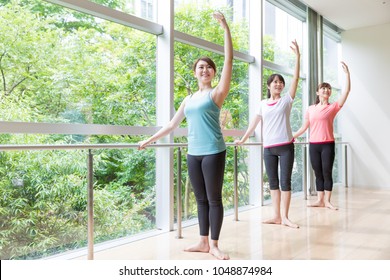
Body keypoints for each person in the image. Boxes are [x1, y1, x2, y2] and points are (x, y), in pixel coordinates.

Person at [138, 11, 232, 260]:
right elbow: (171, 125)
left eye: (209, 67)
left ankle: (214, 244)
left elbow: (229, 63)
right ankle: (202, 242)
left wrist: (225, 29)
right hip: (194, 153)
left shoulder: (216, 94)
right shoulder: (188, 99)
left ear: (213, 73)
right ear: (195, 72)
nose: (205, 70)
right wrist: (148, 140)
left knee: (214, 199)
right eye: (201, 67)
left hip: (213, 151)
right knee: (201, 199)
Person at [235, 40, 300, 229]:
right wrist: (243, 139)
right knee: (273, 183)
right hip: (268, 148)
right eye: (275, 82)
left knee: (285, 181)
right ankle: (276, 216)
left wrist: (297, 57)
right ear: (269, 86)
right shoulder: (262, 104)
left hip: (286, 147)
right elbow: (253, 124)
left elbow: (295, 79)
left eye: (281, 82)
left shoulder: (286, 101)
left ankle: (286, 217)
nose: (278, 85)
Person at [293, 61, 351, 210]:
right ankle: (320, 200)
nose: (326, 90)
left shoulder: (333, 107)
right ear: (318, 92)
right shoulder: (310, 109)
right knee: (318, 173)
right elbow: (304, 127)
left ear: (330, 93)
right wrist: (292, 135)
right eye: (323, 88)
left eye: (328, 88)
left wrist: (347, 75)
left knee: (327, 172)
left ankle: (328, 201)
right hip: (314, 145)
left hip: (327, 145)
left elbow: (346, 92)